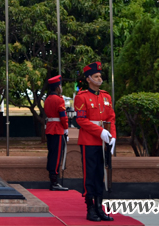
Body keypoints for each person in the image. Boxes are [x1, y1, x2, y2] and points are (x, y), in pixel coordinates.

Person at [75, 62, 116, 222]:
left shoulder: (106, 96)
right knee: (90, 175)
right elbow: (81, 120)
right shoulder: (82, 97)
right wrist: (100, 132)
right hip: (89, 141)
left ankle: (100, 207)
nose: (100, 79)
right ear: (88, 79)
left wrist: (112, 136)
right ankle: (90, 207)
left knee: (101, 174)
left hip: (104, 142)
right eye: (96, 76)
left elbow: (111, 118)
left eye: (100, 76)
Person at [45, 75, 69, 191]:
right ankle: (54, 182)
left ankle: (53, 179)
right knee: (57, 155)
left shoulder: (48, 99)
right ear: (58, 87)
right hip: (57, 129)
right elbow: (63, 116)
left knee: (52, 153)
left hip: (50, 128)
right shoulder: (59, 100)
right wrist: (66, 128)